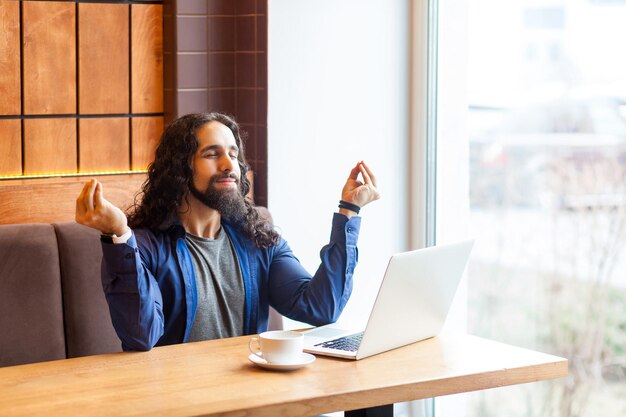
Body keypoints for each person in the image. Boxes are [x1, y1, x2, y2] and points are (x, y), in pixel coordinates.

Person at [75, 112, 380, 351]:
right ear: (181, 168)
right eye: (211, 154)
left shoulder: (258, 239)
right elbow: (141, 336)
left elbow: (321, 308)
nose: (228, 165)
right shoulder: (144, 246)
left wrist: (348, 212)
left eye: (233, 154)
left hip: (253, 398)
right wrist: (118, 234)